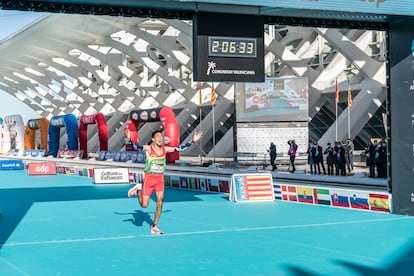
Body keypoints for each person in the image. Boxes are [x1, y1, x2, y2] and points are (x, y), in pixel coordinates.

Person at [127, 130, 203, 235]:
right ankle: (139, 190)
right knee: (144, 206)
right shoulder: (149, 148)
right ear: (153, 139)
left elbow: (179, 148)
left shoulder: (165, 149)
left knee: (160, 202)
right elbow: (137, 147)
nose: (160, 138)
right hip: (149, 179)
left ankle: (154, 226)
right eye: (157, 136)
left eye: (161, 136)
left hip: (159, 180)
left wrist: (193, 141)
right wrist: (129, 139)